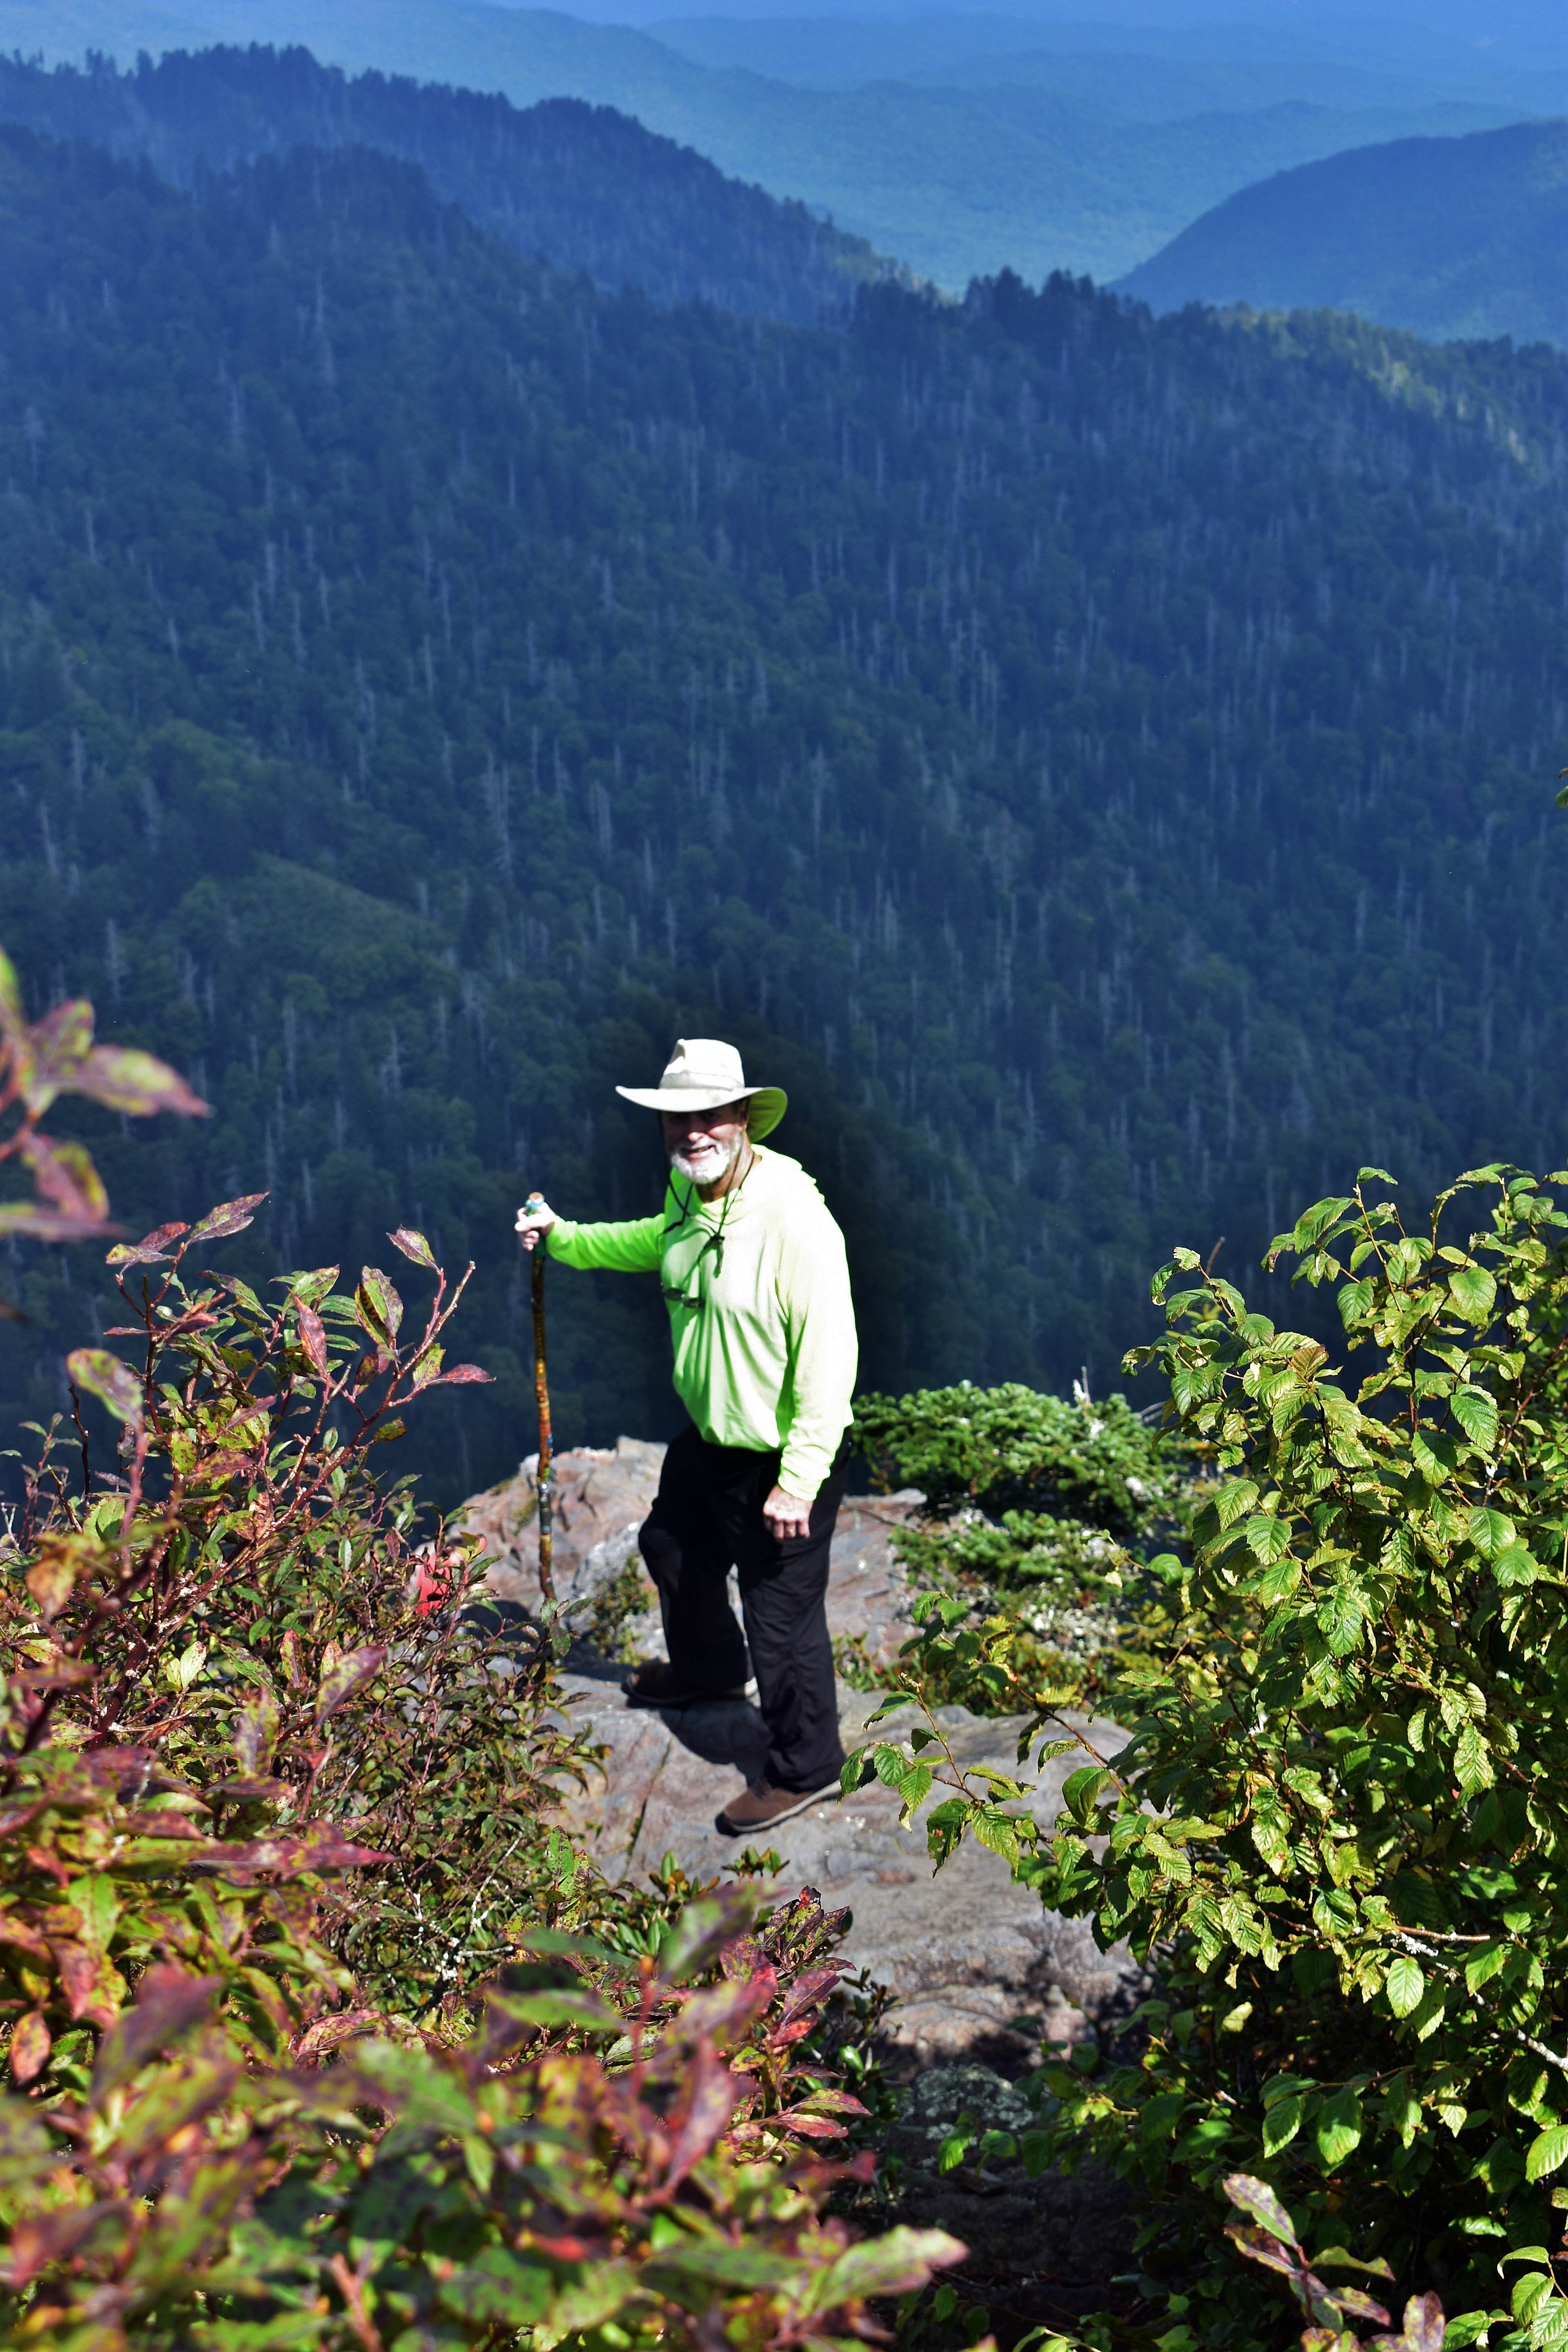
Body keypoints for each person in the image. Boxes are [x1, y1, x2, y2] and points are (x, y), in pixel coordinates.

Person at [515, 1038, 858, 1836]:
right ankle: (708, 1673)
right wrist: (564, 1239)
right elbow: (653, 1245)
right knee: (671, 1545)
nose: (690, 1132)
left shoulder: (794, 1223)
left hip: (778, 1456)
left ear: (742, 1118)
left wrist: (798, 1481)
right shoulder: (690, 1196)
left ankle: (806, 1767)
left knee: (780, 1618)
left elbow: (828, 1358)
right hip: (712, 1440)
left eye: (707, 1116)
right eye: (676, 1118)